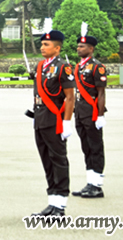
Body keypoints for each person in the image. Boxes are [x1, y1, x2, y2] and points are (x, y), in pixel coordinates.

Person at [30, 21, 76, 217]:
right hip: (40, 119)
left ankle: (61, 205)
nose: (42, 47)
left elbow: (70, 96)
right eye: (41, 44)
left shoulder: (63, 67)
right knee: (46, 160)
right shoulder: (41, 66)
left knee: (58, 160)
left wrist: (66, 121)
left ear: (57, 48)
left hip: (55, 120)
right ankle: (52, 202)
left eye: (46, 45)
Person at [72, 24, 107, 198]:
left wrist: (100, 115)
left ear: (91, 49)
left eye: (82, 46)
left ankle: (97, 185)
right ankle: (90, 182)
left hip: (92, 113)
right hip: (80, 113)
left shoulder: (97, 67)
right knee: (86, 148)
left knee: (96, 148)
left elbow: (101, 93)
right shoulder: (78, 66)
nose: (78, 48)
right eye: (78, 46)